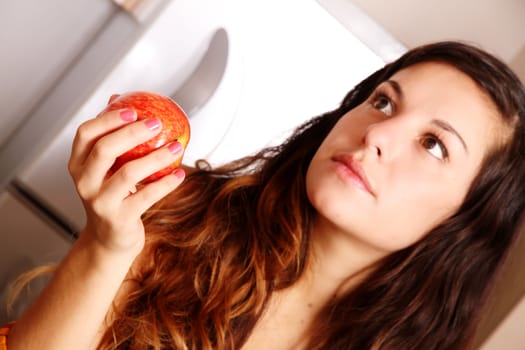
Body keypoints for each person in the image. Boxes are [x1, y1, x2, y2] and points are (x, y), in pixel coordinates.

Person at [3, 41, 525, 350]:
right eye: (384, 102)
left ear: (467, 224)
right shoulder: (184, 217)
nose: (377, 135)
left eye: (433, 145)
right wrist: (106, 246)